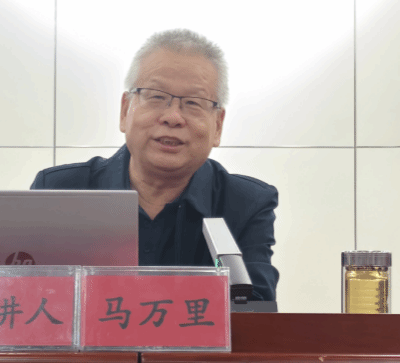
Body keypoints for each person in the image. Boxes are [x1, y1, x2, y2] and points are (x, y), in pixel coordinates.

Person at [31, 29, 279, 300]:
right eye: (156, 96)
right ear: (125, 110)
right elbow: (26, 301)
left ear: (218, 125)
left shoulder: (246, 204)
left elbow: (256, 314)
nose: (173, 117)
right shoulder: (59, 191)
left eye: (194, 103)